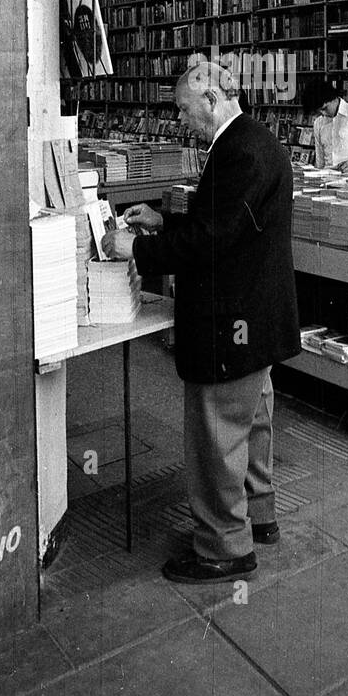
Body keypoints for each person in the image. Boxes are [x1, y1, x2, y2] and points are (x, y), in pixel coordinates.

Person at [101, 60, 300, 583]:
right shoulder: (251, 143)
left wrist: (139, 247)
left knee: (216, 435)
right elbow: (229, 224)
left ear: (211, 99)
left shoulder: (240, 152)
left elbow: (213, 242)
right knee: (253, 423)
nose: (182, 122)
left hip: (230, 322)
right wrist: (166, 220)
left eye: (185, 110)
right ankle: (259, 517)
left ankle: (223, 547)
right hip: (253, 320)